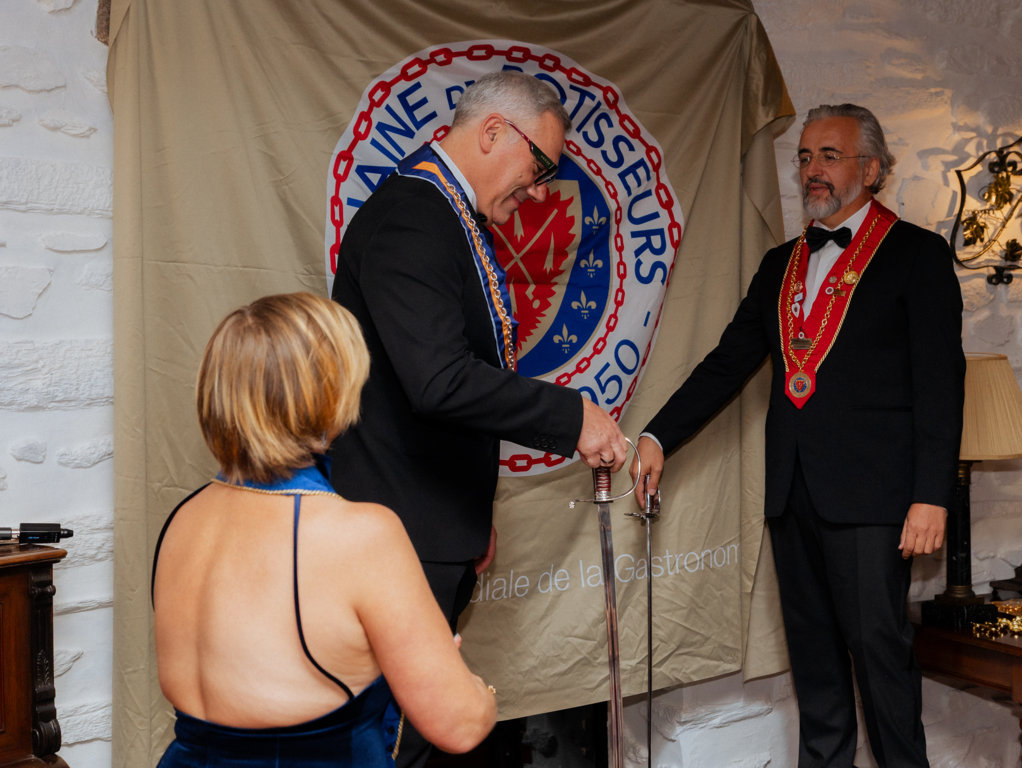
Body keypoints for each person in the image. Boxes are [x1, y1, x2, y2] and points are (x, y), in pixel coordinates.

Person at [632, 104, 964, 767]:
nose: (813, 169)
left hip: (875, 502)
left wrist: (932, 496)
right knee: (815, 672)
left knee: (881, 663)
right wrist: (657, 436)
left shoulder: (916, 254)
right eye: (805, 157)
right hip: (791, 494)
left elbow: (941, 384)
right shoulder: (780, 264)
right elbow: (727, 363)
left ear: (872, 169)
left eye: (829, 156)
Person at [329, 68, 627, 767]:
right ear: (494, 131)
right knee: (391, 740)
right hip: (400, 527)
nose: (540, 191)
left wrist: (469, 509)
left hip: (432, 517)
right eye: (539, 167)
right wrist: (573, 416)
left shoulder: (448, 213)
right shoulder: (415, 215)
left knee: (412, 732)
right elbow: (438, 382)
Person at [152, 293, 496, 768]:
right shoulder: (360, 535)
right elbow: (460, 725)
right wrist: (471, 686)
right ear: (329, 394)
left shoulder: (183, 517)